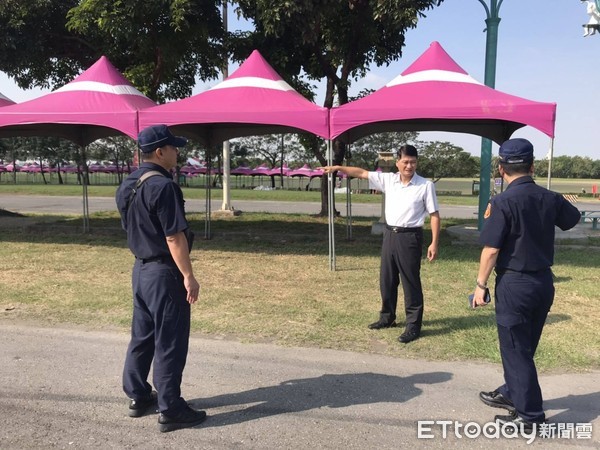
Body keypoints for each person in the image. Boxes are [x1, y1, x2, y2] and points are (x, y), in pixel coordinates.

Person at [472, 138, 581, 430]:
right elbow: (573, 218)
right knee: (523, 346)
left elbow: (491, 249)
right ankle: (512, 392)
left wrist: (480, 285)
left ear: (501, 168)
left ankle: (530, 416)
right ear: (533, 166)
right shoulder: (550, 198)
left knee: (515, 348)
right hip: (543, 283)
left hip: (515, 284)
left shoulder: (502, 202)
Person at [115, 124, 206, 433]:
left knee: (142, 337)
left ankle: (138, 395)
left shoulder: (128, 184)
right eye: (174, 147)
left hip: (140, 270)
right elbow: (173, 237)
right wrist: (189, 276)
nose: (177, 152)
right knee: (170, 340)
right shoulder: (163, 186)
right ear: (160, 151)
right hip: (164, 273)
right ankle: (171, 407)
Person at [321, 144, 440, 344]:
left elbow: (435, 215)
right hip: (389, 234)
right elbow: (361, 173)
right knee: (387, 279)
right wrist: (338, 168)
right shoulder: (389, 180)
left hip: (410, 237)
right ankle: (387, 317)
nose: (409, 166)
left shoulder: (425, 185)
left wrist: (434, 243)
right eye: (405, 162)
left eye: (413, 162)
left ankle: (413, 325)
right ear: (397, 163)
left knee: (410, 282)